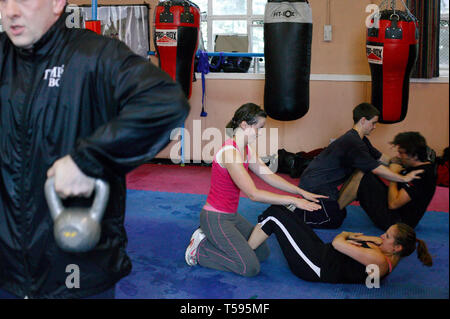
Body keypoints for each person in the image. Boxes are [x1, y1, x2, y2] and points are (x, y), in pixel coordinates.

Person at [0, 0, 190, 298]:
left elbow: (165, 101)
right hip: (7, 269)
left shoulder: (96, 56)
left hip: (76, 266)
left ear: (57, 3)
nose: (10, 11)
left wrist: (88, 161)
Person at [184, 103, 326, 277]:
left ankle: (215, 241)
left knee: (262, 253)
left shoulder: (246, 149)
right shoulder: (230, 153)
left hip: (231, 216)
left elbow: (268, 176)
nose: (260, 132)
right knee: (249, 268)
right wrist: (293, 200)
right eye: (258, 127)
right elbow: (253, 193)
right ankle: (199, 250)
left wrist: (299, 191)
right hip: (215, 218)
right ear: (244, 125)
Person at [294, 102, 423, 229]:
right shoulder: (353, 142)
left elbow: (381, 158)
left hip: (325, 183)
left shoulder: (360, 140)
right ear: (362, 120)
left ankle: (325, 208)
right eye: (373, 123)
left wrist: (406, 164)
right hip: (315, 185)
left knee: (360, 174)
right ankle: (293, 210)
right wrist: (404, 178)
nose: (375, 127)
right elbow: (377, 169)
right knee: (334, 219)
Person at [247, 205, 432, 284]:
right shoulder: (386, 250)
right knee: (283, 210)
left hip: (314, 266)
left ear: (396, 248)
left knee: (274, 215)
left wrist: (345, 235)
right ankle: (252, 240)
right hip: (322, 253)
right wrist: (349, 239)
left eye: (388, 236)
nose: (382, 235)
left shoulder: (378, 260)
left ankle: (243, 255)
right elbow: (349, 242)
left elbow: (338, 242)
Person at [356, 132, 437, 230]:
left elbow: (393, 204)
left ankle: (336, 208)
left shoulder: (421, 175)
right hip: (397, 213)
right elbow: (389, 162)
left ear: (414, 155)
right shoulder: (417, 165)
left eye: (401, 153)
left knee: (360, 175)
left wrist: (394, 176)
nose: (398, 156)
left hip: (397, 223)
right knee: (365, 172)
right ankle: (337, 206)